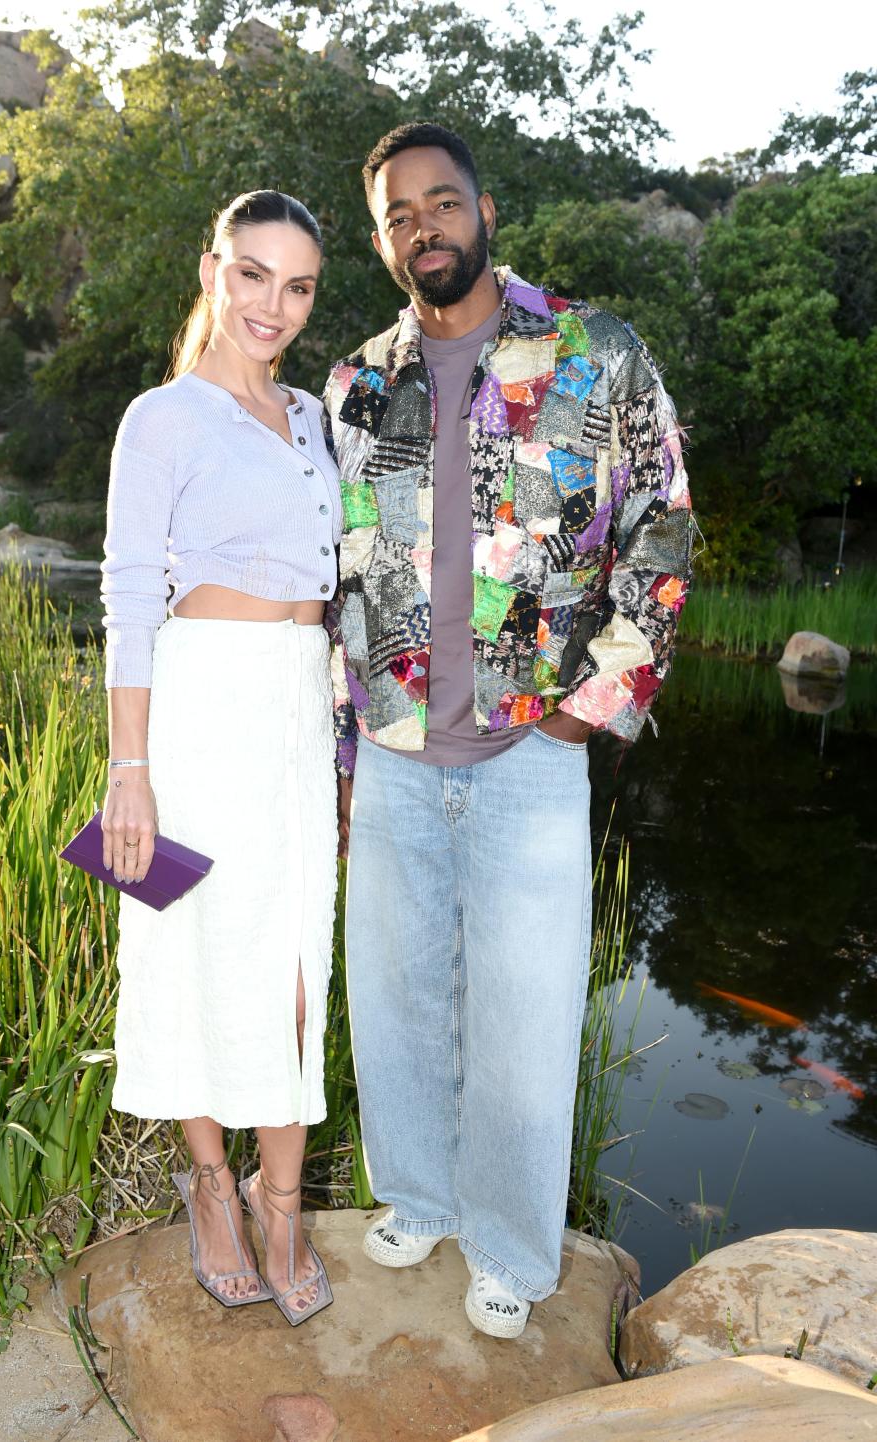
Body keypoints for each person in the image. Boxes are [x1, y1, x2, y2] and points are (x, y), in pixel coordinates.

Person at [324, 124, 693, 1338]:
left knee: (528, 1019)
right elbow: (337, 574)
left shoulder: (596, 354)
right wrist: (342, 744)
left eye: (442, 201)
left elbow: (665, 529)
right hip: (390, 748)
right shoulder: (355, 384)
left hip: (533, 750)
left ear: (486, 209)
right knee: (397, 996)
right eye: (398, 214)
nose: (423, 224)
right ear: (383, 239)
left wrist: (593, 711)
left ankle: (516, 1250)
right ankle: (421, 1195)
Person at [99, 190, 341, 1326]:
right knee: (188, 939)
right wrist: (127, 768)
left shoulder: (312, 416)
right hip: (198, 701)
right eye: (255, 275)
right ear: (212, 271)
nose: (274, 306)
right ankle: (210, 1183)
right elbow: (129, 597)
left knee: (297, 963)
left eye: (297, 287)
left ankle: (279, 1197)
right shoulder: (162, 417)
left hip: (300, 702)